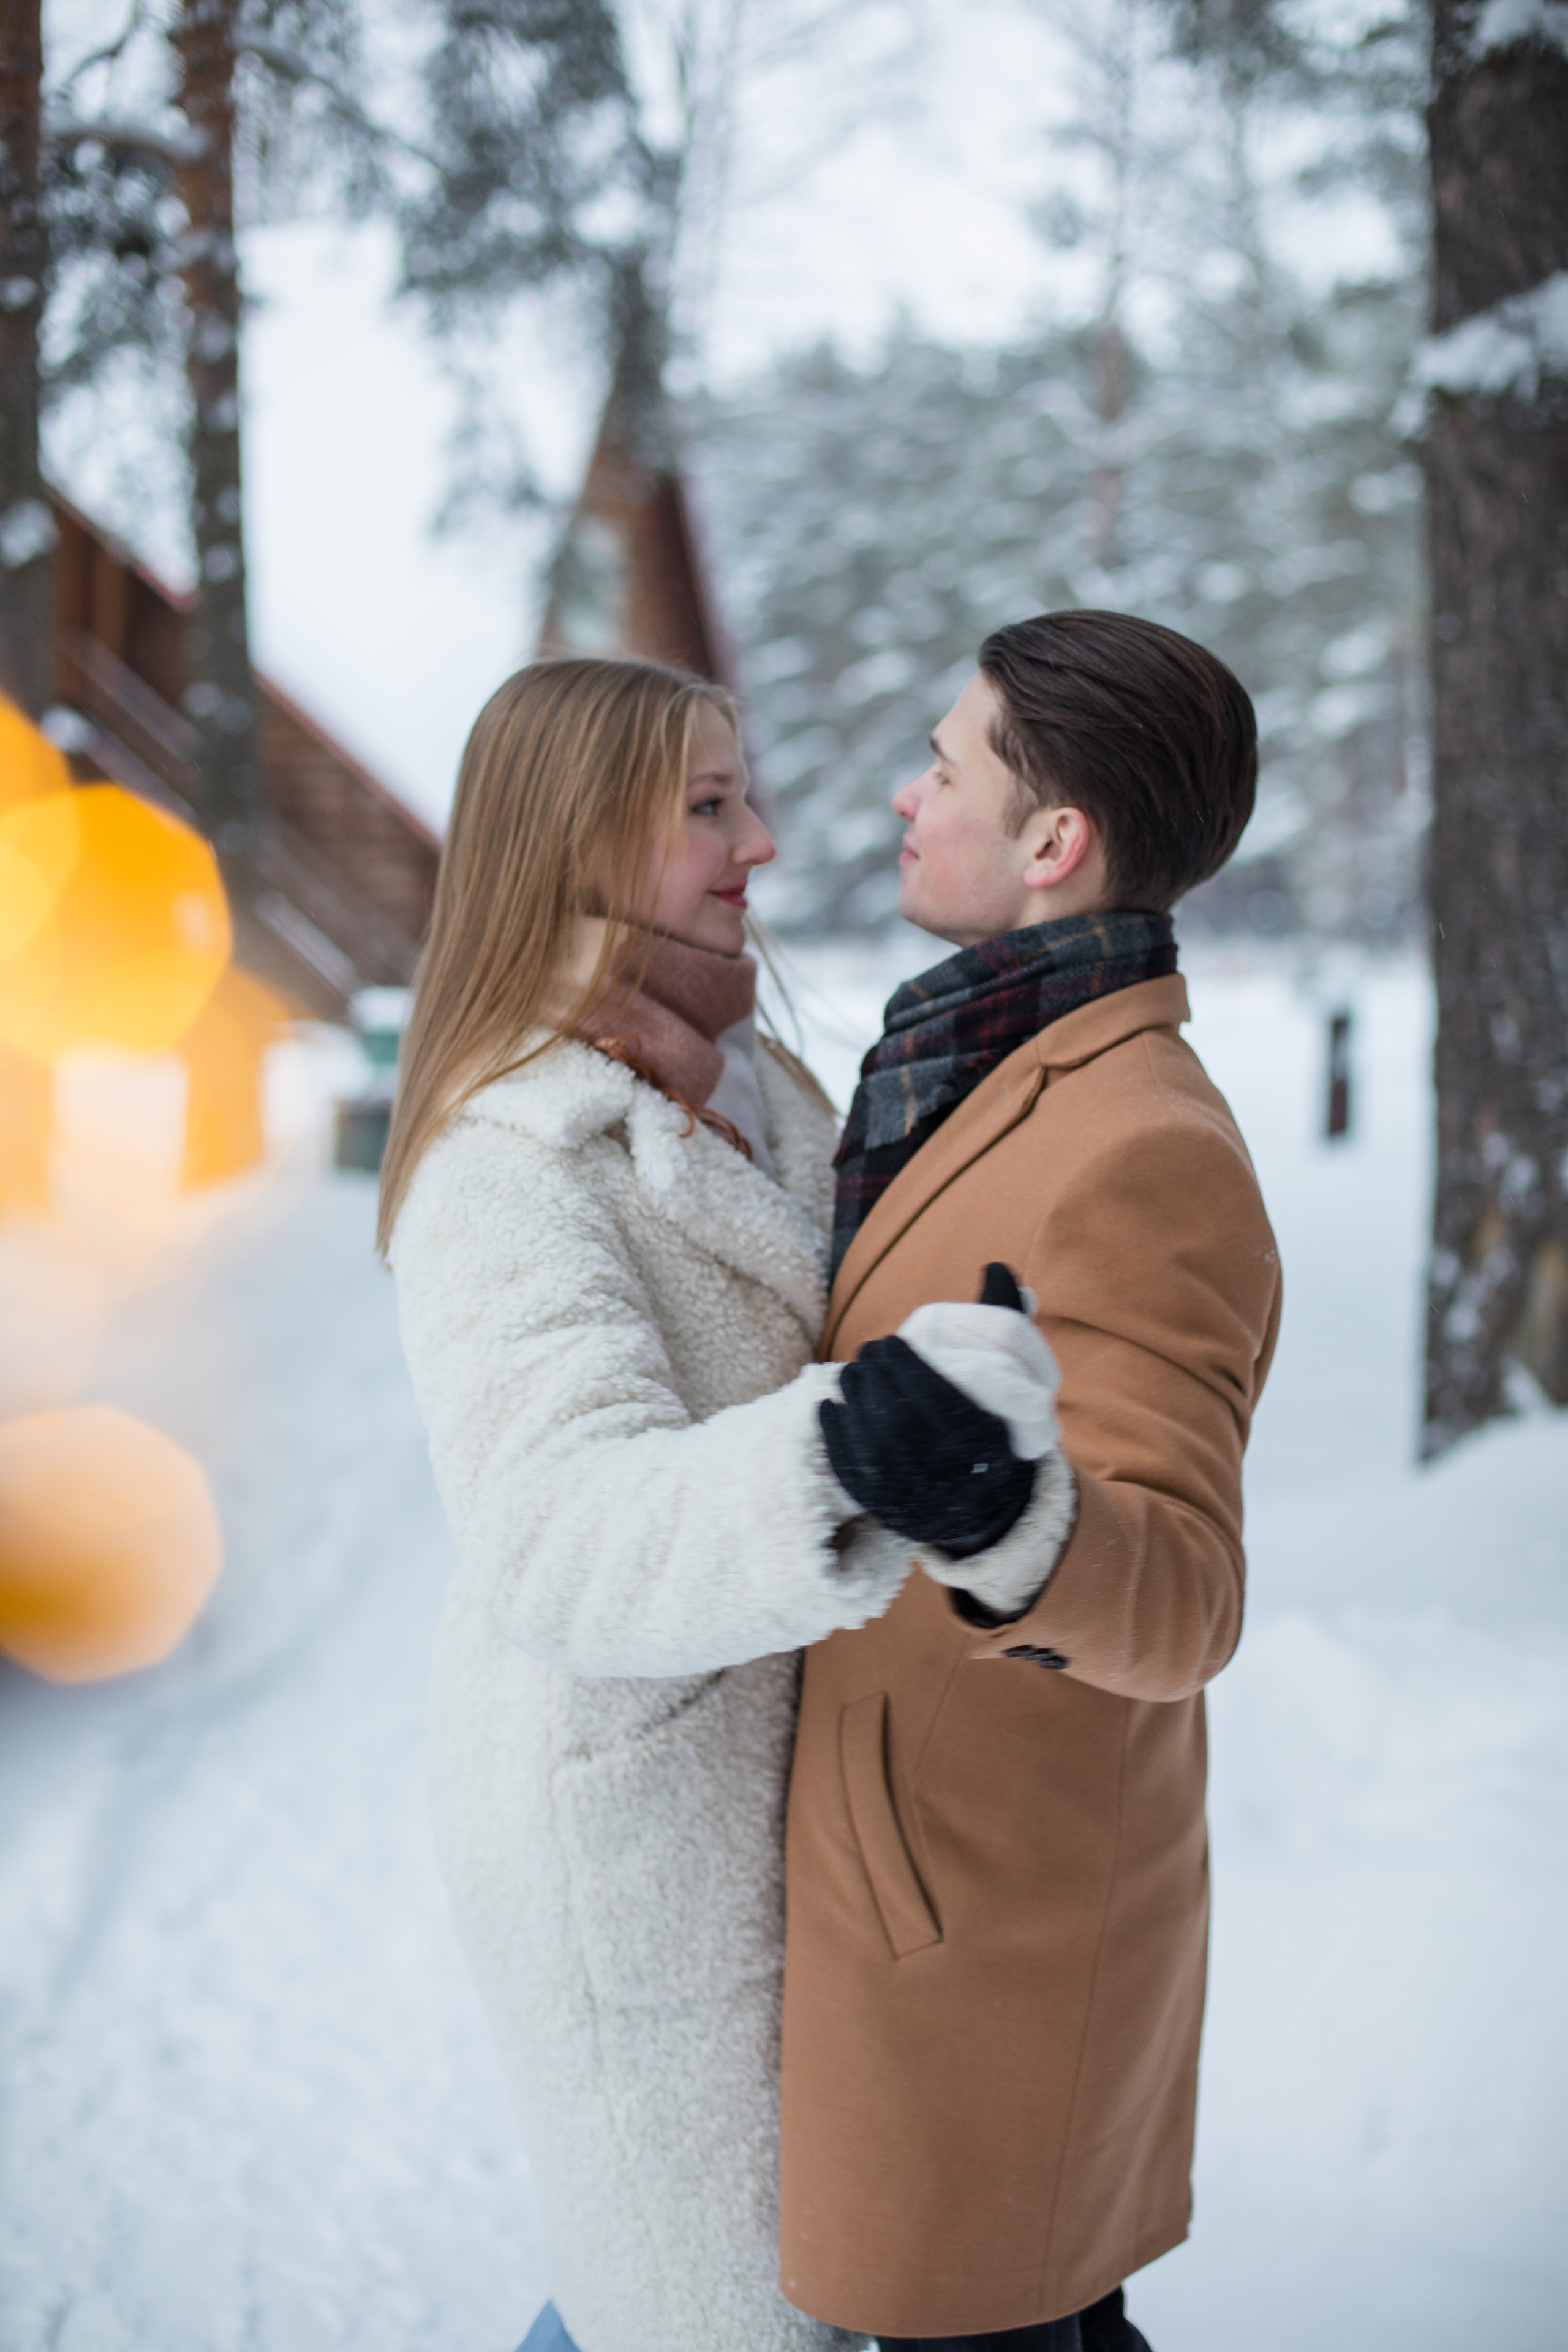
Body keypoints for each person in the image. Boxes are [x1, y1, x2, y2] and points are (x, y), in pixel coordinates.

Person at [381, 657, 1035, 2352]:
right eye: (708, 807)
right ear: (577, 837)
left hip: (787, 1800)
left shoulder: (764, 1083)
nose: (763, 841)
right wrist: (840, 1457)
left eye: (743, 794)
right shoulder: (505, 1165)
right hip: (637, 1838)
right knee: (704, 2315)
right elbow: (555, 1534)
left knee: (752, 2290)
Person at [778, 610, 1283, 2350]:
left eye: (942, 766)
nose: (907, 796)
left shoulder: (1144, 1143)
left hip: (977, 1928)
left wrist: (1010, 1522)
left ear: (1053, 842)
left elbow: (1188, 1592)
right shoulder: (977, 1060)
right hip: (904, 1888)